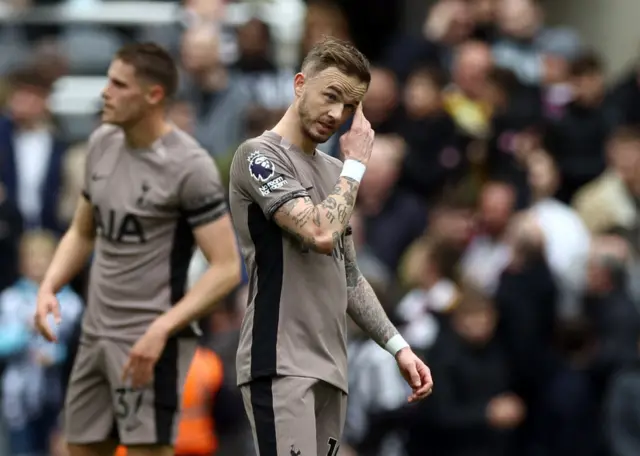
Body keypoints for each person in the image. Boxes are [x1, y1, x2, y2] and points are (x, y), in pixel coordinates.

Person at [33, 42, 242, 456]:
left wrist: (163, 328)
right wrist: (49, 286)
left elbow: (227, 268)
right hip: (95, 333)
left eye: (118, 84)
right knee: (80, 447)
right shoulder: (101, 144)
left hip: (150, 341)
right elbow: (82, 230)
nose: (104, 92)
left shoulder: (190, 166)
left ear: (153, 96)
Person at [228, 36, 434, 456]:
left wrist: (398, 347)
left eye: (349, 106)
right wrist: (357, 165)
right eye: (331, 96)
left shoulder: (336, 171)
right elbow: (320, 233)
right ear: (300, 83)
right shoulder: (258, 156)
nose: (337, 114)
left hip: (332, 368)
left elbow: (350, 276)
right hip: (279, 360)